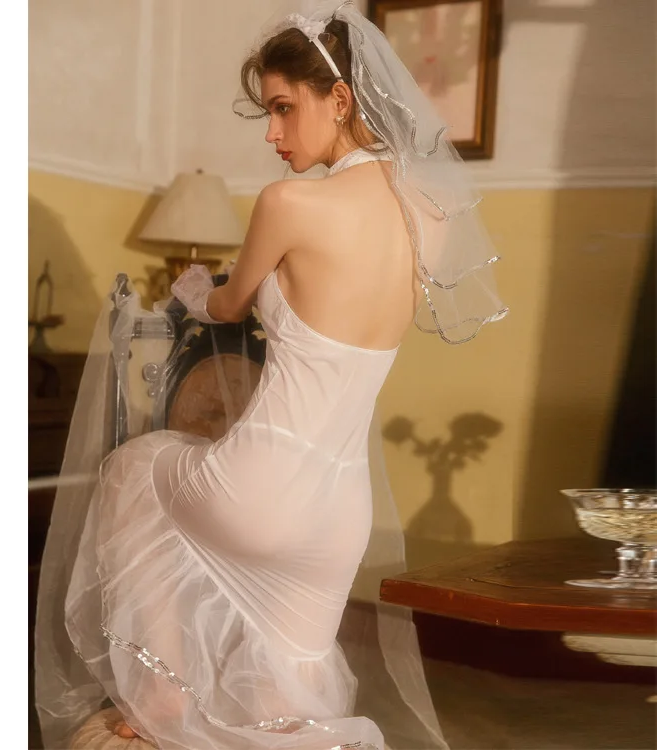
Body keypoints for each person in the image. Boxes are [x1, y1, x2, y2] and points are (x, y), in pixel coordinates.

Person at [34, 2, 507, 749]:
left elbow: (225, 306)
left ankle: (160, 696)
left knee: (131, 468)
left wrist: (196, 286)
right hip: (339, 518)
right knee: (282, 706)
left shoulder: (289, 202)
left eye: (284, 108)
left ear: (340, 99)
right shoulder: (432, 216)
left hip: (258, 489)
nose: (272, 133)